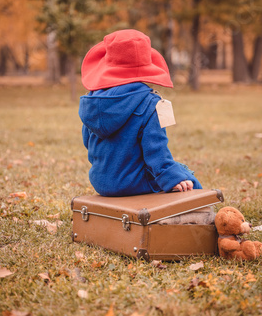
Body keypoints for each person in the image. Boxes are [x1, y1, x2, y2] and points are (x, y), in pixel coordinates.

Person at [79, 29, 202, 197]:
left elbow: (88, 142)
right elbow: (156, 151)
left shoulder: (92, 102)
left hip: (101, 183)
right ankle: (203, 218)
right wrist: (172, 178)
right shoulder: (150, 103)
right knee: (186, 178)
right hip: (133, 183)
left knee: (178, 172)